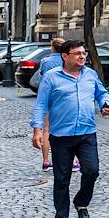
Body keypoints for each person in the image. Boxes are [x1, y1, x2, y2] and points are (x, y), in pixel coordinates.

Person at [30, 40, 109, 218]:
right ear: (65, 56)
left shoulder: (90, 75)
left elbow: (101, 93)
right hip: (61, 136)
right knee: (62, 179)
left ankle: (81, 202)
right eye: (77, 53)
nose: (82, 56)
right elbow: (41, 105)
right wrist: (37, 130)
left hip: (87, 133)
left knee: (92, 171)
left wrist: (105, 104)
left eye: (84, 53)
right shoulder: (51, 77)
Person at [37, 38, 69, 172]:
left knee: (47, 129)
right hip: (65, 97)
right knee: (69, 128)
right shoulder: (66, 60)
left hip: (49, 96)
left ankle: (45, 162)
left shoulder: (46, 61)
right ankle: (72, 162)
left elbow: (41, 77)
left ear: (52, 48)